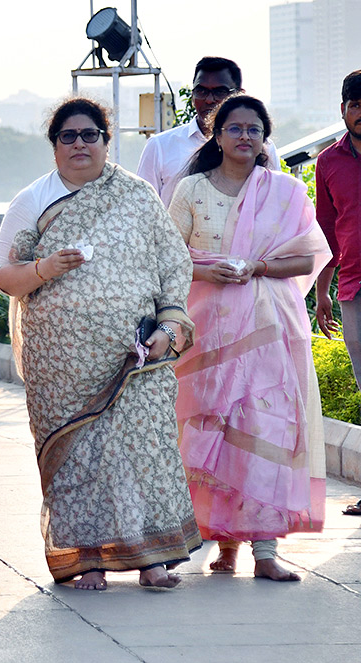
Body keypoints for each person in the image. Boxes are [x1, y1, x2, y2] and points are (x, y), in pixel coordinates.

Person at [0, 97, 200, 591]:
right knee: (79, 458)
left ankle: (151, 556)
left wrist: (170, 325)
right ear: (54, 146)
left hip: (137, 354)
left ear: (107, 142)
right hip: (60, 362)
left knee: (142, 452)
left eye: (91, 135)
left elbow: (174, 265)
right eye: (69, 136)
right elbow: (3, 277)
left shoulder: (138, 196)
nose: (80, 144)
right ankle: (86, 559)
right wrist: (44, 269)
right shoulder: (33, 200)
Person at [170, 95, 330, 579]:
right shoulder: (191, 190)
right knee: (213, 434)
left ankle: (265, 553)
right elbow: (170, 257)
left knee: (264, 431)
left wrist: (256, 266)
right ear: (216, 136)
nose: (244, 136)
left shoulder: (283, 190)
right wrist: (212, 271)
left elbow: (306, 259)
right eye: (234, 128)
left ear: (264, 139)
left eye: (253, 129)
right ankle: (224, 548)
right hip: (206, 330)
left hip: (268, 333)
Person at [137, 56, 279, 207]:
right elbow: (143, 209)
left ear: (239, 95)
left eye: (220, 92)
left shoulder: (262, 148)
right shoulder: (160, 146)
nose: (210, 100)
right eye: (201, 91)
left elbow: (275, 205)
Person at [315, 71, 361, 460]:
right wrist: (322, 289)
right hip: (353, 286)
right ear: (343, 109)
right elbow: (327, 230)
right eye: (356, 104)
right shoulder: (328, 161)